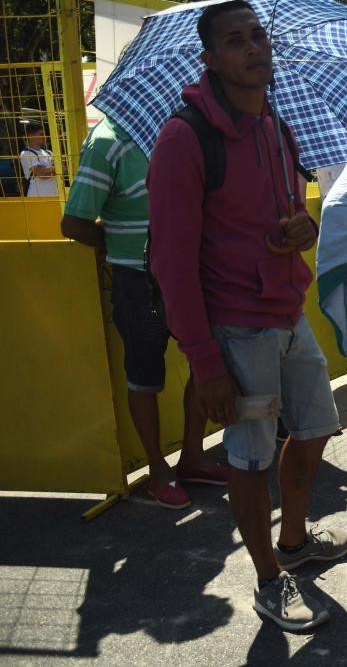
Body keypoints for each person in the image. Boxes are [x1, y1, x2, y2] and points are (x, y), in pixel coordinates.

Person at [148, 0, 347, 632]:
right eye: (235, 41)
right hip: (236, 329)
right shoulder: (185, 138)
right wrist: (205, 363)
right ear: (210, 58)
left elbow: (292, 207)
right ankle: (269, 579)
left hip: (287, 315)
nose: (253, 48)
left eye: (258, 35)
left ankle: (292, 543)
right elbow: (171, 263)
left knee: (316, 427)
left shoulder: (276, 126)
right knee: (250, 457)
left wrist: (304, 225)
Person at [61, 117, 228, 509]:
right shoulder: (107, 142)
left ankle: (193, 457)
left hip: (188, 275)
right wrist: (118, 241)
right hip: (138, 283)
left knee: (204, 365)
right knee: (144, 378)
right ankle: (158, 470)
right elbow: (74, 222)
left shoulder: (179, 133)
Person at [19, 121, 56, 197]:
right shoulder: (26, 154)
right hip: (37, 198)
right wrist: (57, 168)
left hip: (55, 197)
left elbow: (65, 169)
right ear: (30, 136)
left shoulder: (49, 153)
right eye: (41, 134)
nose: (44, 137)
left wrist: (47, 170)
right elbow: (41, 174)